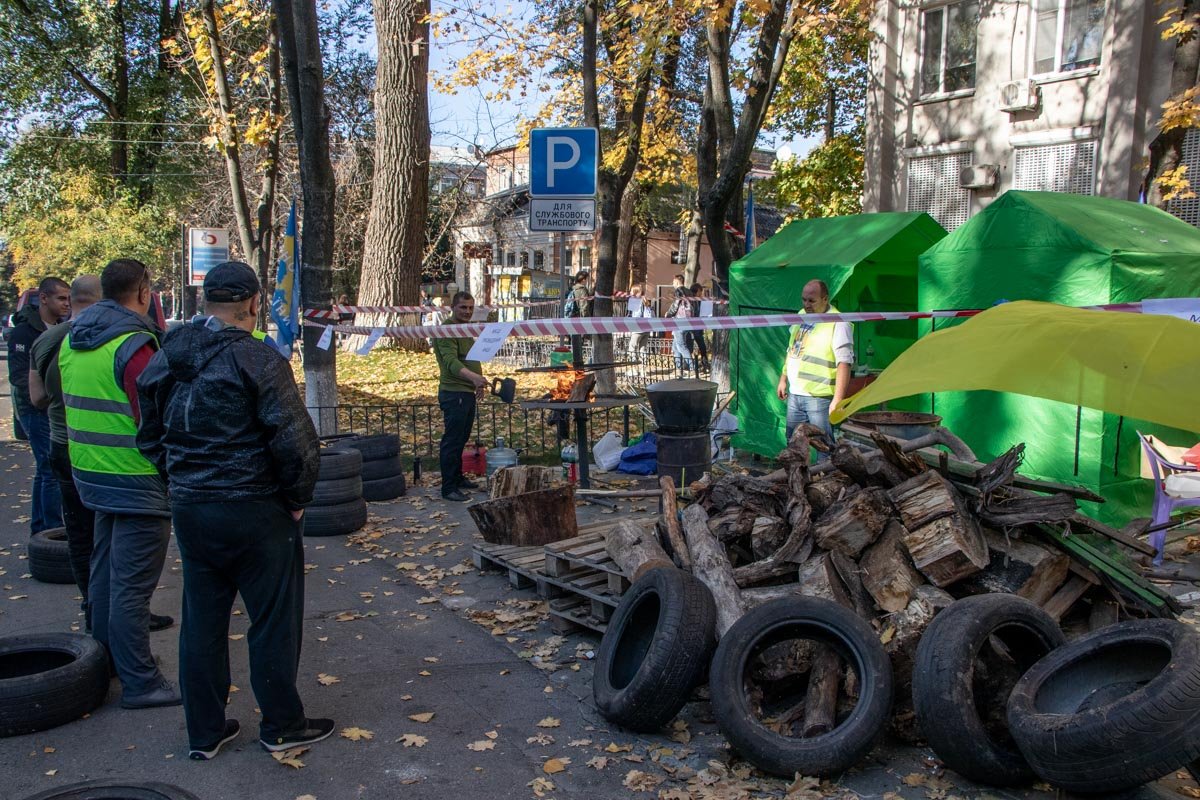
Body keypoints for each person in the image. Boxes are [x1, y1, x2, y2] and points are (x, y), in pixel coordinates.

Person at [136, 261, 329, 761]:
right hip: (255, 508)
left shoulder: (167, 356)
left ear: (205, 301)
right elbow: (298, 443)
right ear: (253, 303)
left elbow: (149, 437)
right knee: (272, 620)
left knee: (201, 619)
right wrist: (296, 500)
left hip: (193, 507)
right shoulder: (256, 359)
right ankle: (283, 725)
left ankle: (204, 731)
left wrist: (180, 481)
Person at [58, 258, 179, 709]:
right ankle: (140, 681)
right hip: (136, 479)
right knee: (131, 588)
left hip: (91, 471)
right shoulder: (133, 346)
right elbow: (156, 419)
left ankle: (102, 663)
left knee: (106, 577)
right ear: (145, 290)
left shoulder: (75, 338)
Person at [8, 277, 70, 534]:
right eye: (61, 298)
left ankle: (40, 527)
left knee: (46, 469)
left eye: (68, 298)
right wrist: (45, 393)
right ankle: (52, 529)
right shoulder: (24, 332)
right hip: (34, 409)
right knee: (49, 468)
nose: (67, 304)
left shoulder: (60, 329)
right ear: (44, 298)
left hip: (51, 408)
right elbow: (19, 376)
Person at [776, 279, 854, 451]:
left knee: (824, 447)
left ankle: (826, 477)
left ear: (825, 299)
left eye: (811, 301)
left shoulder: (839, 323)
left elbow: (844, 363)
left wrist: (838, 399)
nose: (806, 304)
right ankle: (796, 478)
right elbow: (792, 349)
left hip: (820, 397)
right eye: (804, 300)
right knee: (793, 446)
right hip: (796, 394)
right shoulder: (801, 315)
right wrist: (783, 378)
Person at [433, 291, 487, 502]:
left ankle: (457, 478)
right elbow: (451, 362)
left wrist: (478, 381)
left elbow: (471, 358)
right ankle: (448, 488)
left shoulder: (465, 330)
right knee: (452, 441)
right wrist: (474, 378)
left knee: (462, 438)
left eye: (471, 307)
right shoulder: (447, 330)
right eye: (463, 307)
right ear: (452, 308)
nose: (467, 311)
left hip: (466, 392)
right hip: (454, 393)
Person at [665, 274, 694, 373]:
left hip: (679, 321)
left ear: (677, 282)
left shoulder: (678, 291)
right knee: (675, 346)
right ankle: (678, 368)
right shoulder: (689, 291)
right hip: (689, 321)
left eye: (673, 282)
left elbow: (675, 305)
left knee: (681, 346)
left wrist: (668, 314)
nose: (673, 284)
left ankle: (692, 368)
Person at [626, 284, 654, 359]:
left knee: (632, 347)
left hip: (638, 328)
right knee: (642, 348)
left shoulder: (635, 301)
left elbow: (636, 315)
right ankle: (643, 365)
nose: (630, 292)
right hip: (647, 328)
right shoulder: (645, 300)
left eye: (631, 291)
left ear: (635, 292)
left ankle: (633, 366)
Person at [688, 282, 710, 371]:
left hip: (697, 326)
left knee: (700, 345)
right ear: (696, 291)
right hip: (694, 326)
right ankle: (694, 364)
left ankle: (703, 362)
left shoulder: (698, 301)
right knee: (696, 345)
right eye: (700, 292)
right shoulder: (691, 301)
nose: (701, 294)